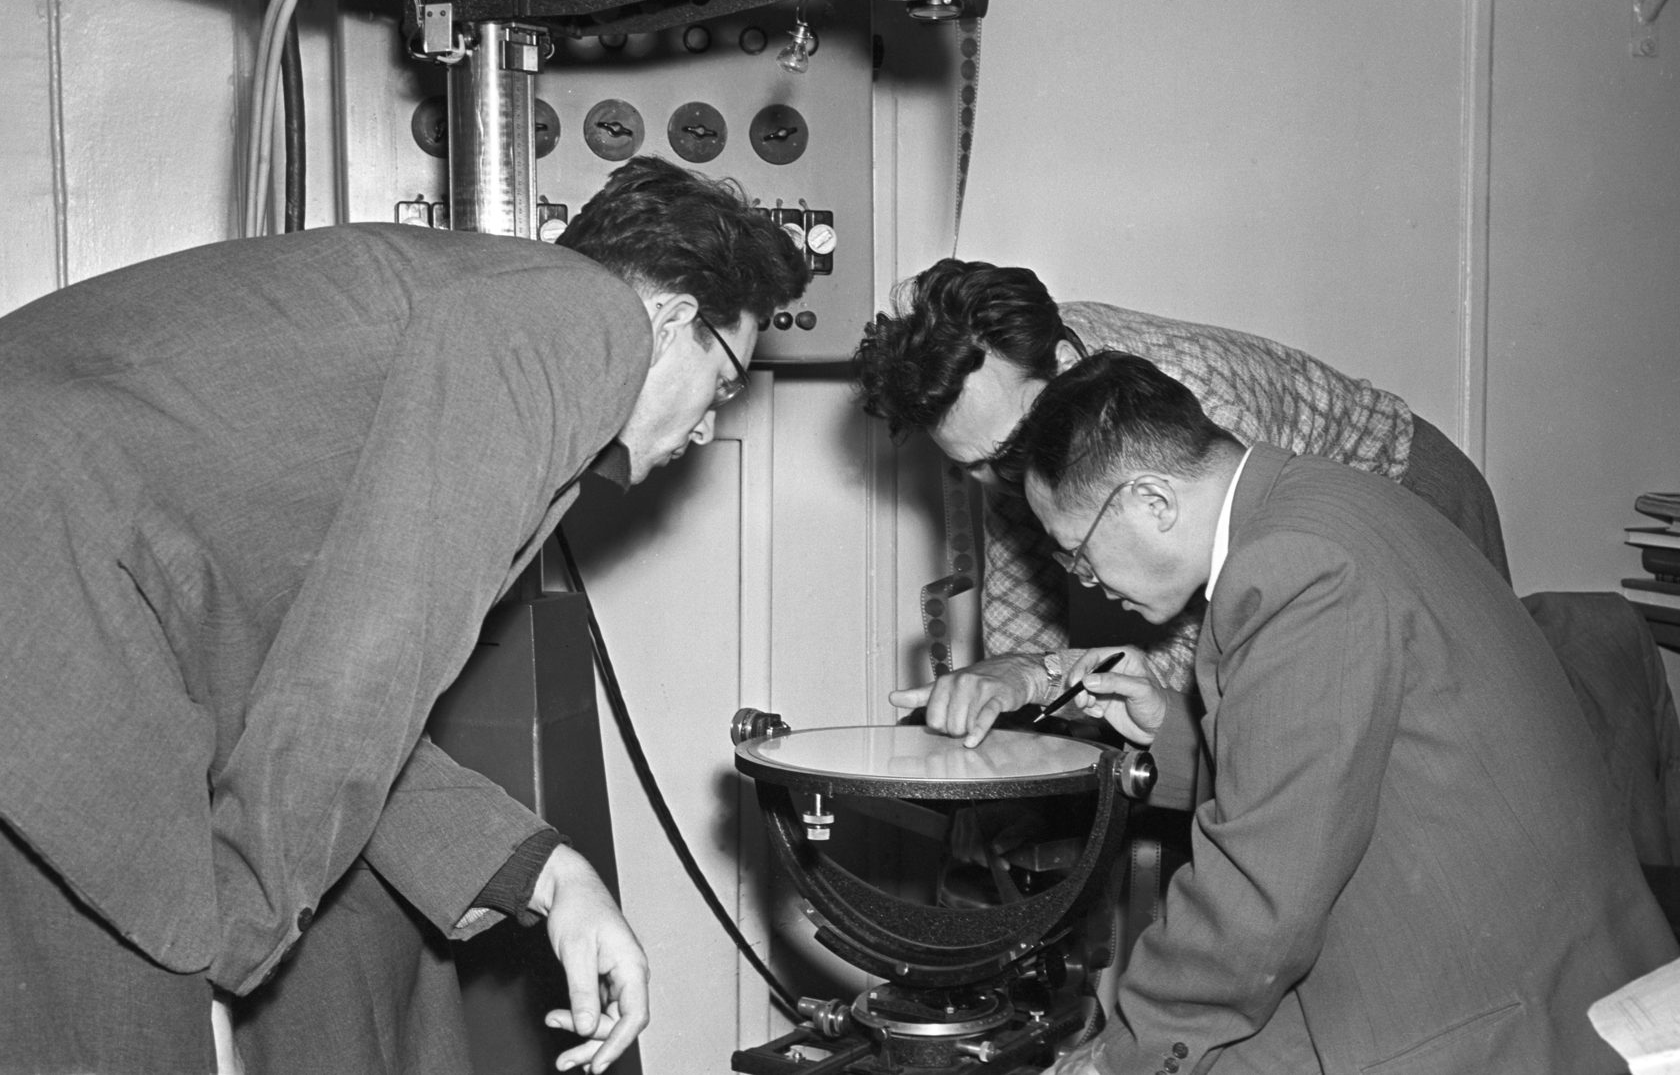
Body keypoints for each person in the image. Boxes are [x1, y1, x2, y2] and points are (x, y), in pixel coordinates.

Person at [0, 155, 807, 1075]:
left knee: (352, 938)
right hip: (46, 596)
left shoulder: (488, 304)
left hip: (76, 592)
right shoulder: (583, 321)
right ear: (667, 319)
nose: (706, 427)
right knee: (139, 1016)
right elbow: (365, 667)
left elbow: (331, 694)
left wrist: (548, 876)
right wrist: (229, 950)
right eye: (725, 382)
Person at [1011, 351, 1674, 1074]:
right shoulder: (1327, 500)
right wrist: (1164, 731)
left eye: (1079, 554)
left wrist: (1121, 1058)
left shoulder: (1292, 567)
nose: (1088, 581)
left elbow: (1259, 897)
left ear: (1153, 502)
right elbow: (1327, 772)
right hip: (1524, 958)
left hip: (1504, 1021)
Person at [856, 258, 1509, 738]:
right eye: (971, 466)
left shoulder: (1194, 402)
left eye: (1006, 454)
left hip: (1405, 484)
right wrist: (1005, 684)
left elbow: (1224, 651)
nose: (996, 479)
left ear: (1064, 363)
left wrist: (1051, 676)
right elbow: (1023, 612)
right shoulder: (1008, 417)